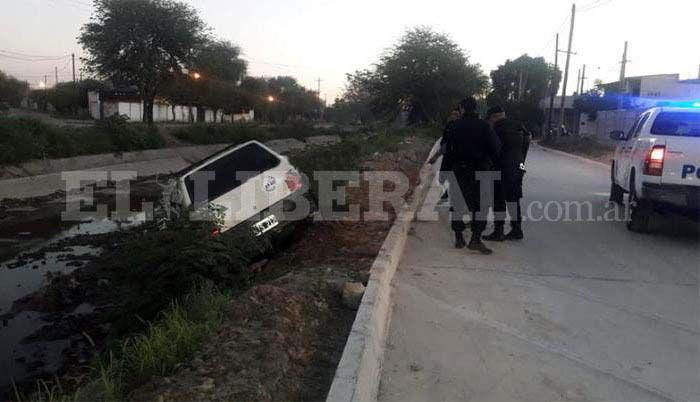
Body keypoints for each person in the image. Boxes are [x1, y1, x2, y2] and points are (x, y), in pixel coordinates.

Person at [445, 97, 501, 254]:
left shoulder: (455, 126)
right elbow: (496, 149)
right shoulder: (485, 126)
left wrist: (446, 171)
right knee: (481, 206)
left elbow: (449, 151)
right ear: (476, 108)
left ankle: (458, 237)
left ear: (462, 109)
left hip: (459, 169)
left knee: (457, 204)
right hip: (481, 170)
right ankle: (475, 239)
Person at [483, 105, 531, 241]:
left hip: (502, 167)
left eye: (490, 119)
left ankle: (498, 231)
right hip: (518, 166)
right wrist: (521, 162)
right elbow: (527, 141)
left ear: (494, 117)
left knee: (498, 199)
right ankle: (517, 229)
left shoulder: (496, 129)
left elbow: (493, 149)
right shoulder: (519, 126)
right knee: (513, 198)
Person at [429, 107, 461, 202]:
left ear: (460, 115)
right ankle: (446, 191)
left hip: (456, 154)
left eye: (456, 115)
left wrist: (436, 155)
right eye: (453, 114)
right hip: (447, 153)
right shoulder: (449, 125)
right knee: (442, 175)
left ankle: (448, 193)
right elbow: (444, 139)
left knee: (454, 175)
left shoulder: (460, 127)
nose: (454, 116)